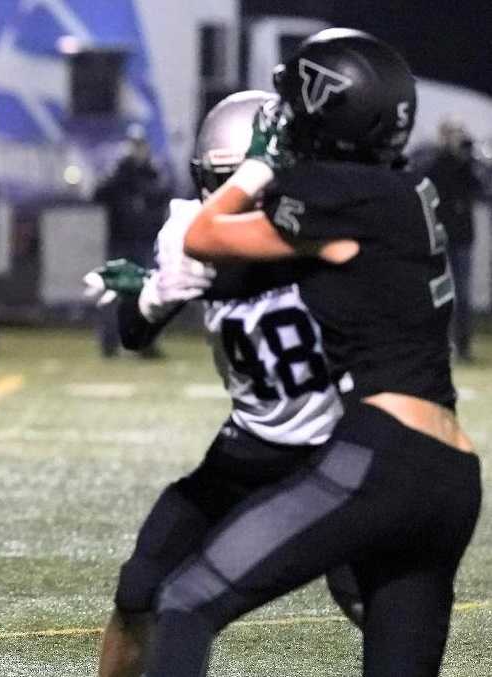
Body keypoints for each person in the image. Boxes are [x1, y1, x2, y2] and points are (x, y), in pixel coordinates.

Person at [144, 29, 481, 676]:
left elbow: (208, 233)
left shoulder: (339, 194)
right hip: (452, 473)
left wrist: (262, 162)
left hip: (382, 455)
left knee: (183, 602)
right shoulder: (408, 190)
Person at [86, 91, 360, 677]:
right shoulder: (191, 227)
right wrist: (155, 290)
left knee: (373, 597)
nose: (241, 197)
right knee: (139, 588)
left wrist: (190, 275)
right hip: (249, 445)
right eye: (226, 180)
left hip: (338, 451)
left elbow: (268, 261)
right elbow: (134, 334)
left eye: (254, 180)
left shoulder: (325, 224)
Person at [93, 124, 172, 358]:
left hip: (144, 241)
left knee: (146, 296)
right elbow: (98, 195)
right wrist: (121, 175)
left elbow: (162, 194)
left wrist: (139, 177)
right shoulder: (119, 172)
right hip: (120, 241)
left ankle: (145, 344)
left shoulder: (152, 171)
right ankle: (109, 343)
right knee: (114, 294)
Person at [418, 118, 483, 361]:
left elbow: (481, 188)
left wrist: (466, 160)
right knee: (441, 294)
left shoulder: (466, 164)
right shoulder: (435, 162)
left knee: (463, 294)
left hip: (464, 237)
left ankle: (463, 346)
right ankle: (439, 346)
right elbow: (429, 185)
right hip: (441, 236)